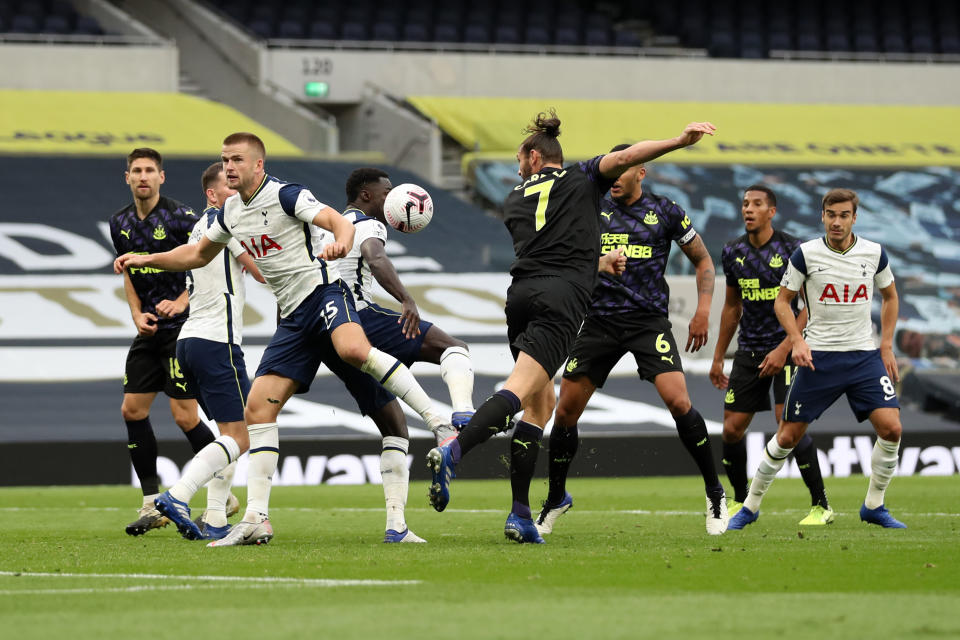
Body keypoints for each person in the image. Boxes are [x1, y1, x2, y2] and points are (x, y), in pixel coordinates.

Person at [115, 132, 451, 546]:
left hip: (323, 293)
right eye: (225, 160)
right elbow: (196, 255)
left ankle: (440, 424)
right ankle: (256, 517)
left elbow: (337, 221)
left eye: (236, 160)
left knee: (353, 349)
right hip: (292, 318)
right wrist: (147, 258)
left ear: (258, 164)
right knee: (257, 410)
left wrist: (343, 241)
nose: (229, 167)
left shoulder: (286, 194)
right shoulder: (230, 212)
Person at [426, 111, 717, 543]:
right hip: (560, 304)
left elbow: (553, 248)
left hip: (519, 298)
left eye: (519, 159)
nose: (516, 167)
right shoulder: (580, 179)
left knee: (538, 408)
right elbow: (627, 157)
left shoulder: (514, 198)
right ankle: (456, 448)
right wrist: (678, 140)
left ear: (533, 156)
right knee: (517, 392)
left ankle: (521, 515)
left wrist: (597, 261)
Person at [536, 146, 729, 538]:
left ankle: (715, 493)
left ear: (640, 171)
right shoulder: (593, 210)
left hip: (646, 323)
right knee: (566, 411)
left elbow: (704, 261)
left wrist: (703, 310)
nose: (615, 177)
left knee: (678, 401)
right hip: (598, 322)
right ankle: (556, 497)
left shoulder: (667, 211)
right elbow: (566, 259)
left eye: (623, 169)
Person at [729, 188, 906, 530]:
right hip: (817, 358)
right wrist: (795, 340)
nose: (836, 222)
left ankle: (873, 505)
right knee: (787, 437)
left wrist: (885, 346)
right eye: (830, 214)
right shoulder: (806, 254)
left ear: (855, 218)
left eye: (843, 215)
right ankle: (749, 508)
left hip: (862, 358)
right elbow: (783, 302)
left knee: (892, 428)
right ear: (822, 216)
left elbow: (890, 297)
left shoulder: (874, 253)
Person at [152, 162, 265, 541]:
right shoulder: (226, 221)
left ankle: (216, 516)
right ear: (212, 195)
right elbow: (262, 270)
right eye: (229, 189)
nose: (237, 195)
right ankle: (179, 495)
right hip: (217, 341)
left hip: (191, 341)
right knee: (243, 437)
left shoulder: (202, 227)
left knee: (227, 435)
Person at [108, 147, 217, 536]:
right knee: (132, 411)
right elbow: (128, 274)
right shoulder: (118, 221)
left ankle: (222, 491)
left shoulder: (181, 217)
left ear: (161, 177)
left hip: (183, 330)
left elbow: (206, 262)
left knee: (185, 417)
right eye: (136, 170)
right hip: (148, 330)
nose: (142, 176)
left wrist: (182, 300)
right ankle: (151, 502)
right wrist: (137, 315)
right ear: (127, 178)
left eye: (149, 170)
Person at [709, 185, 832, 526]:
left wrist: (786, 347)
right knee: (732, 430)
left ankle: (821, 505)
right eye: (745, 203)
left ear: (771, 211)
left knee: (787, 425)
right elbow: (732, 307)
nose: (748, 209)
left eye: (757, 204)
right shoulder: (732, 251)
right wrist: (719, 357)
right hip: (749, 350)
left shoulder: (794, 250)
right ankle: (739, 501)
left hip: (789, 349)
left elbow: (809, 307)